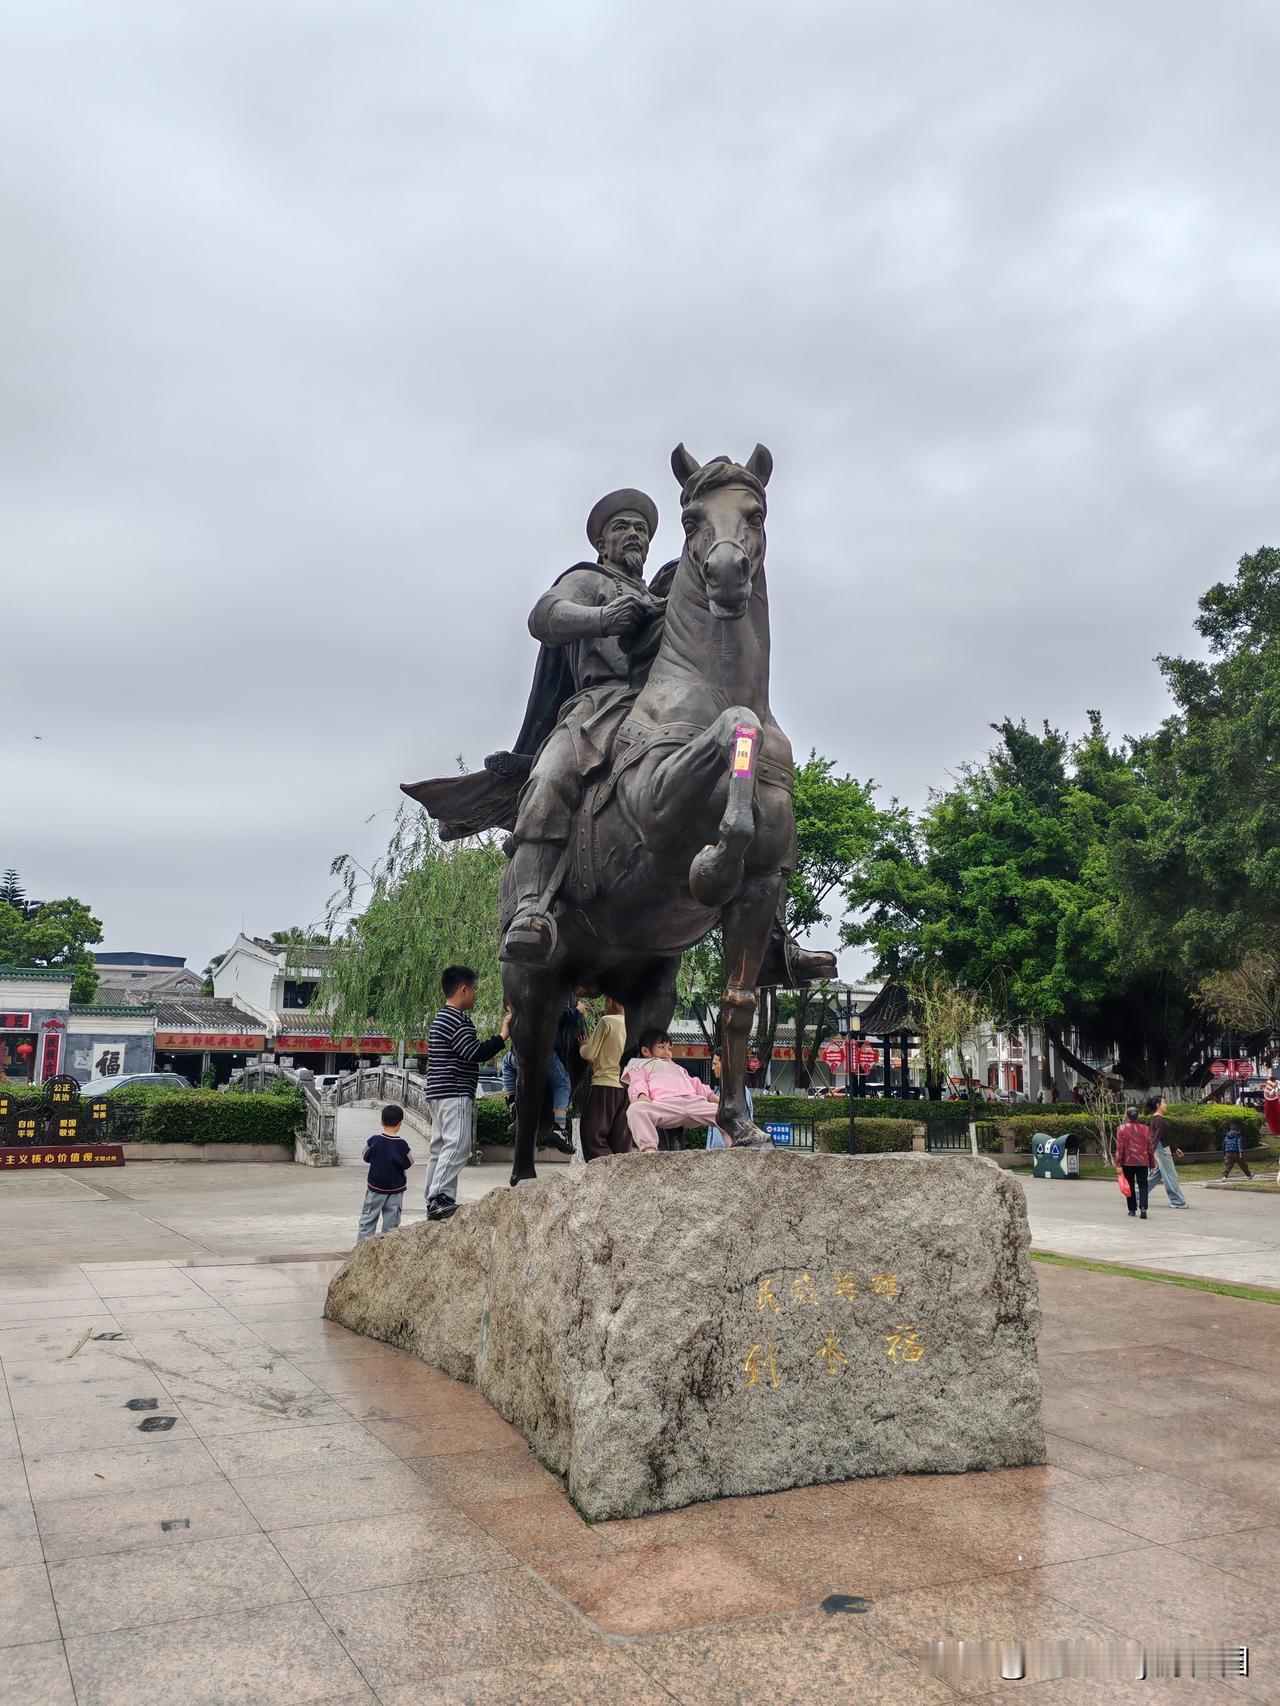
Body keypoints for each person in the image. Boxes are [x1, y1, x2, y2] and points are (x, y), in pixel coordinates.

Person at [423, 965, 510, 1220]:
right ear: (463, 989)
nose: (475, 995)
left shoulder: (440, 1017)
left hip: (438, 1092)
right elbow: (475, 1053)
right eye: (474, 990)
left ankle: (434, 1198)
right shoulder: (458, 1020)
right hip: (455, 1090)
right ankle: (440, 1197)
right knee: (459, 1145)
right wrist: (502, 1036)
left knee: (440, 1148)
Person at [624, 1028, 719, 1151]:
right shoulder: (640, 1065)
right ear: (645, 1051)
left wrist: (713, 1097)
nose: (667, 1052)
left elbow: (695, 1083)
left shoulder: (678, 1067)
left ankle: (737, 1143)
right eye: (662, 1047)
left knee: (728, 1112)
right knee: (635, 1110)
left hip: (694, 1103)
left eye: (669, 1048)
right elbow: (638, 1082)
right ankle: (649, 1149)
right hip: (665, 1105)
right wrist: (641, 1095)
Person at [578, 996, 632, 1160]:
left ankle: (605, 1172)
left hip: (604, 1085)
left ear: (609, 1001)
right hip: (626, 1087)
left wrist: (582, 1047)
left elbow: (590, 1053)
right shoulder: (633, 1024)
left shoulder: (607, 1021)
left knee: (591, 1135)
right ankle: (619, 1172)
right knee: (621, 1140)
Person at [356, 1104, 413, 1242]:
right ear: (400, 1124)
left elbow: (365, 1156)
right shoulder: (402, 1145)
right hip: (396, 1189)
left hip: (375, 1188)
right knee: (391, 1223)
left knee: (368, 1219)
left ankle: (362, 1250)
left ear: (381, 1121)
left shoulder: (374, 1141)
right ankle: (387, 1250)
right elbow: (409, 1162)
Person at [1144, 1095, 1188, 1209]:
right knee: (1170, 1175)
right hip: (1161, 1150)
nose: (1166, 1105)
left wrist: (1175, 1149)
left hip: (1162, 1148)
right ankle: (1177, 1200)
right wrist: (1150, 1156)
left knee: (1158, 1175)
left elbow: (1163, 1137)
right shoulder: (1158, 1119)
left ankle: (1138, 1193)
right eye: (1164, 1103)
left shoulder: (1158, 1119)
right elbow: (1155, 1138)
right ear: (1158, 1105)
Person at [1115, 1106, 1155, 1220]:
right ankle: (1143, 1208)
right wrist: (1152, 1164)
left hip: (1127, 1161)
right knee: (1143, 1185)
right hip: (1142, 1161)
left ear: (1127, 1116)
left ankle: (1132, 1210)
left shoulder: (1121, 1129)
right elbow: (1150, 1148)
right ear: (1138, 1116)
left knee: (1130, 1185)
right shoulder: (1146, 1129)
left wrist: (1118, 1164)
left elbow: (1120, 1148)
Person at [708, 1049, 752, 1148]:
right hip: (715, 1154)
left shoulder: (741, 1092)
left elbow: (743, 1121)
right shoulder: (718, 1091)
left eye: (715, 1064)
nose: (712, 1068)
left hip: (732, 1152)